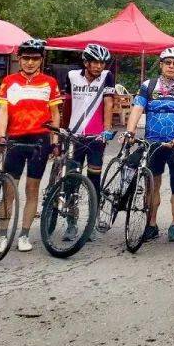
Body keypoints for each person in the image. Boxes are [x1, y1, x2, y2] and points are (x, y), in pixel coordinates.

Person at [0, 39, 63, 253]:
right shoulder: (9, 80)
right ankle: (2, 236)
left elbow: (55, 115)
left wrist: (54, 142)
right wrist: (1, 136)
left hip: (40, 140)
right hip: (15, 139)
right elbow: (3, 111)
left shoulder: (50, 82)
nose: (30, 63)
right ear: (19, 59)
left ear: (41, 60)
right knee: (9, 190)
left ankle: (24, 235)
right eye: (26, 58)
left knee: (32, 189)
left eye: (35, 58)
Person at [126, 46, 174, 243]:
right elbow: (137, 109)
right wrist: (130, 131)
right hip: (153, 143)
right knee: (152, 185)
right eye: (168, 63)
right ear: (161, 65)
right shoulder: (148, 85)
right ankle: (151, 224)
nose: (171, 66)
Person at [63, 43, 116, 240]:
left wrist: (107, 130)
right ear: (86, 62)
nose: (99, 66)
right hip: (74, 136)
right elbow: (67, 101)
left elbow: (108, 102)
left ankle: (91, 222)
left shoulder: (107, 76)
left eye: (102, 62)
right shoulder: (71, 76)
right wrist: (63, 127)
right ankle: (71, 223)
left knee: (94, 180)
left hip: (96, 137)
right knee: (71, 180)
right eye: (95, 62)